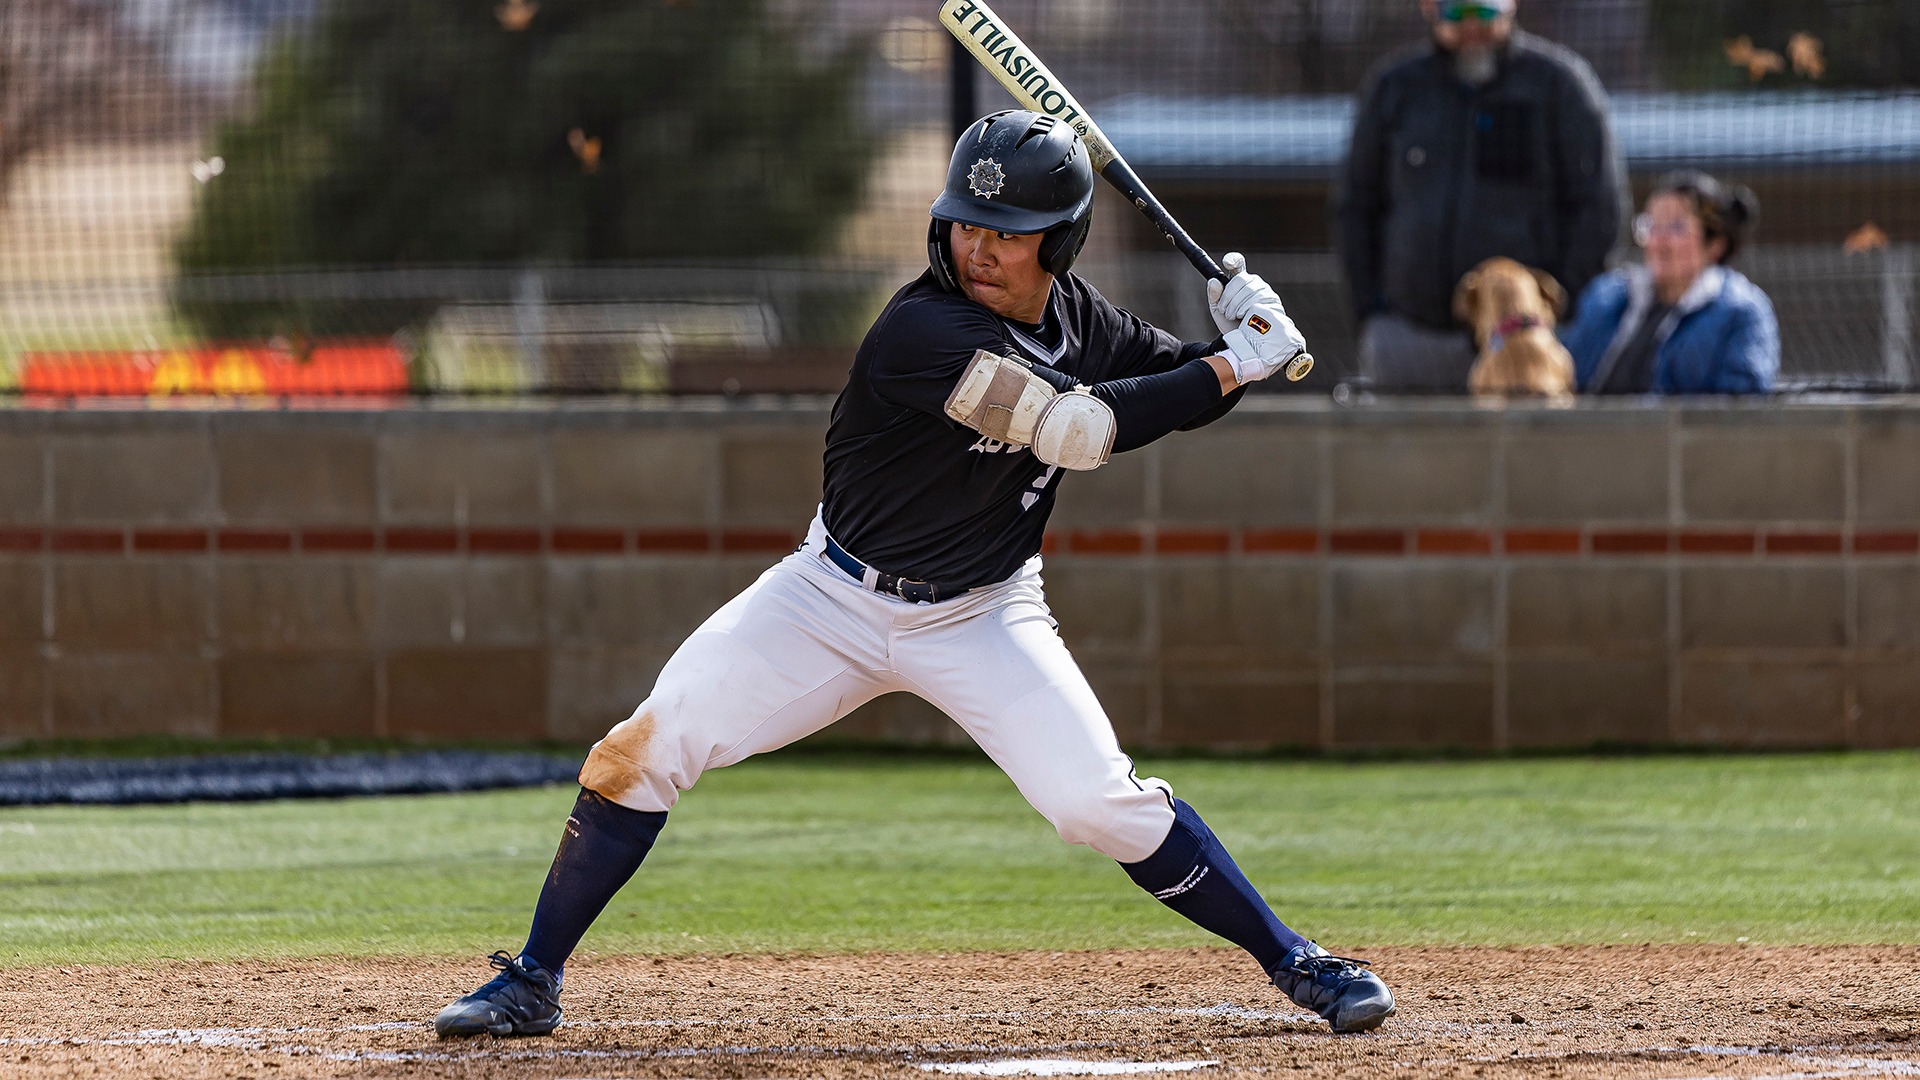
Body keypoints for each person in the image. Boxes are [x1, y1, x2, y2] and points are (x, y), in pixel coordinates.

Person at [430, 110, 1395, 1040]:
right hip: (830, 598)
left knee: (1095, 802)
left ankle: (1298, 961)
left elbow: (1171, 390)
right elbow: (1083, 430)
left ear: (1059, 243)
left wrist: (1238, 333)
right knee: (647, 744)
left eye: (1010, 233)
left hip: (985, 610)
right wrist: (1235, 365)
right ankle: (533, 980)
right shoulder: (919, 333)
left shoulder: (1082, 321)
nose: (980, 246)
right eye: (969, 223)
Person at [1336, 0, 1627, 392]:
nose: (1472, 25)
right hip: (1411, 339)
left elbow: (1599, 209)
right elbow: (1356, 207)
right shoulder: (1395, 89)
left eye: (1485, 12)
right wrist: (1372, 313)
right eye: (1456, 13)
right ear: (1428, 8)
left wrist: (1561, 313)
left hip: (1524, 350)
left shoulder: (1559, 86)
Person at [1561, 170, 1778, 394]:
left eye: (1676, 227)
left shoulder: (1740, 313)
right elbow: (1566, 372)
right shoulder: (1606, 297)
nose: (1659, 240)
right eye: (1651, 225)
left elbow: (1740, 407)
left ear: (1715, 244)